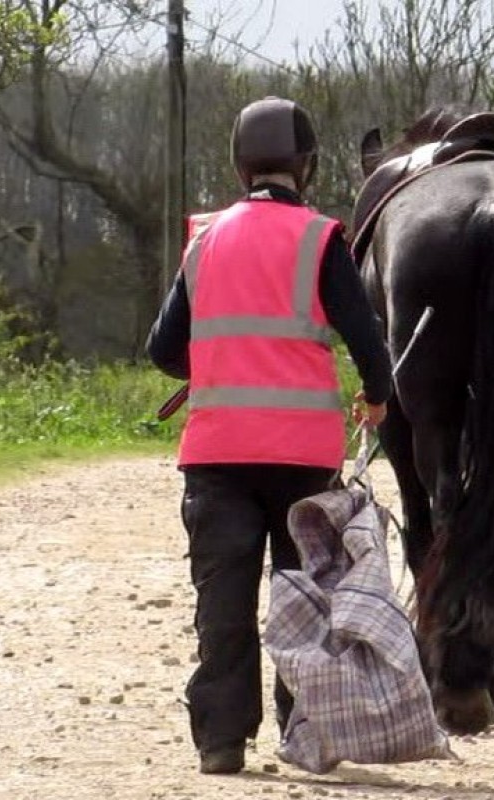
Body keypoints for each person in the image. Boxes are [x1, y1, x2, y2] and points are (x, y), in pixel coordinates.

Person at [145, 96, 393, 776]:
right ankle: (304, 733)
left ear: (238, 165)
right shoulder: (320, 239)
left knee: (221, 601)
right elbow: (370, 346)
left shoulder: (204, 238)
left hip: (217, 454)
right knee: (304, 598)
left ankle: (220, 742)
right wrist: (374, 400)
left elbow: (163, 349)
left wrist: (222, 360)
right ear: (306, 166)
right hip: (302, 457)